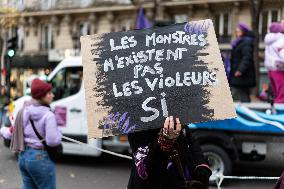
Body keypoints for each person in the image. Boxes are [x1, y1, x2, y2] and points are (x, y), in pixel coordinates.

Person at [127, 116, 212, 189]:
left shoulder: (174, 115)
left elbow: (190, 141)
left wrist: (201, 165)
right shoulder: (137, 124)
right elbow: (143, 167)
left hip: (179, 181)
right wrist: (165, 142)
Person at [7, 79, 62, 189]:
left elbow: (13, 131)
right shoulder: (48, 115)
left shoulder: (25, 110)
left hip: (24, 157)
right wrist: (59, 134)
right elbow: (52, 141)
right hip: (40, 158)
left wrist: (2, 130)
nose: (53, 95)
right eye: (49, 93)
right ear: (42, 96)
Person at [229, 23, 256, 102]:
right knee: (242, 95)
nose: (237, 31)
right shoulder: (239, 42)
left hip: (243, 75)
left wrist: (240, 70)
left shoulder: (246, 43)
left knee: (242, 95)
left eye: (239, 30)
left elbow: (247, 57)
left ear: (243, 31)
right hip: (239, 75)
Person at [264, 22, 284, 103]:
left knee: (276, 91)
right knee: (282, 91)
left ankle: (276, 105)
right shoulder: (281, 40)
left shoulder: (269, 41)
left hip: (271, 69)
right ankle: (280, 111)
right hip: (279, 68)